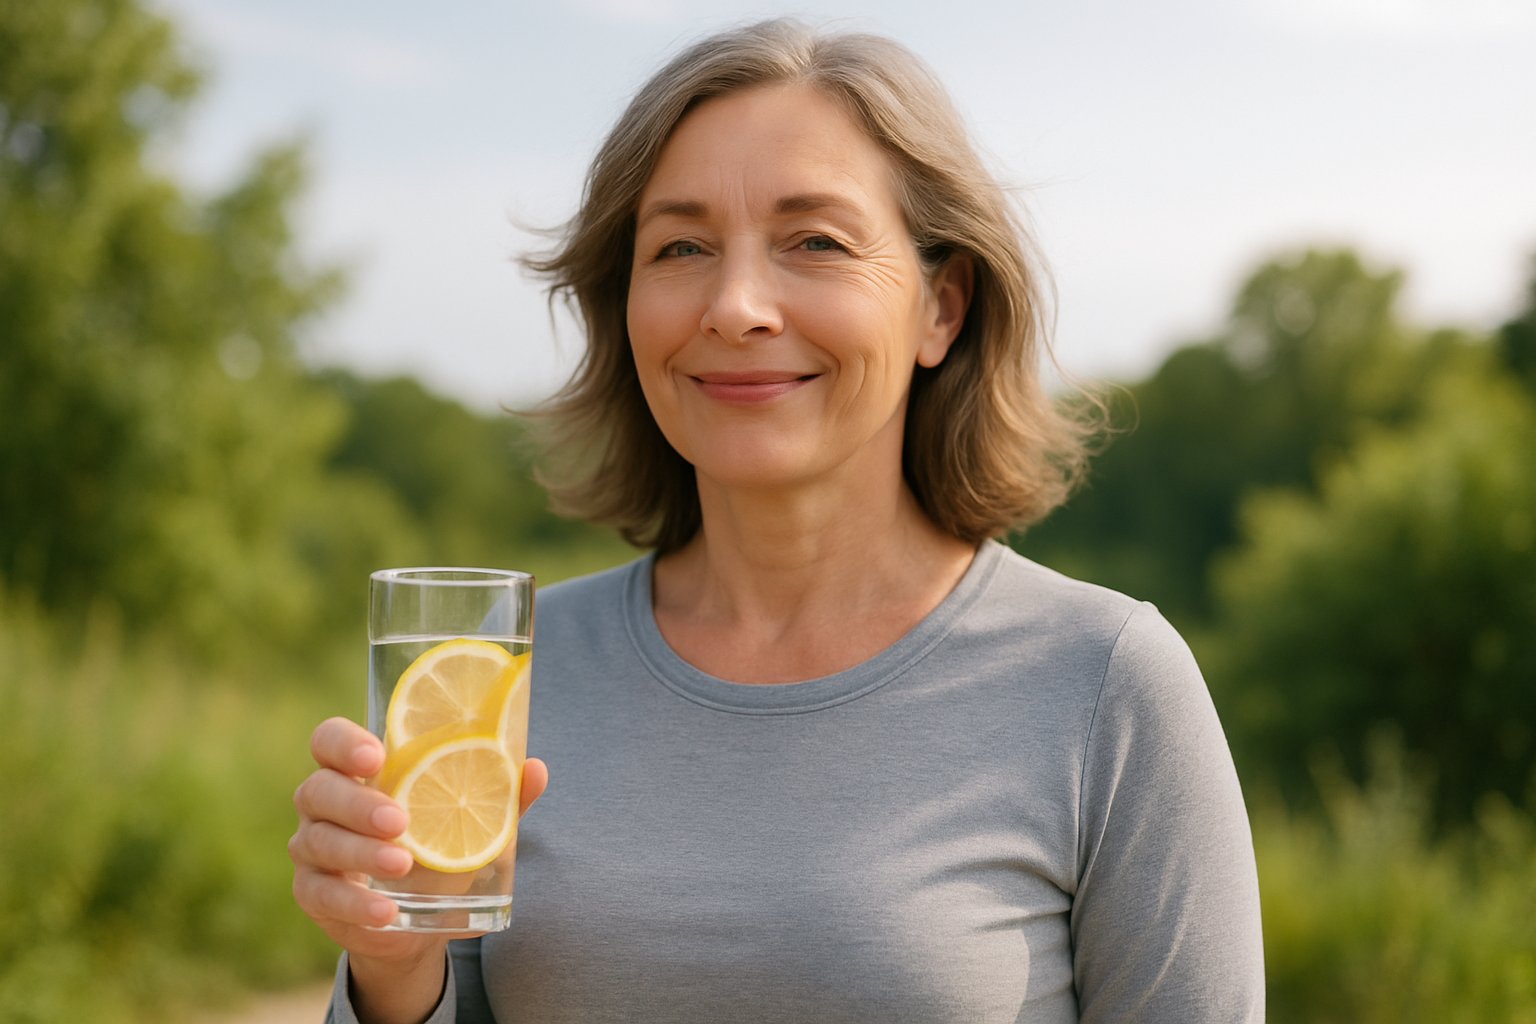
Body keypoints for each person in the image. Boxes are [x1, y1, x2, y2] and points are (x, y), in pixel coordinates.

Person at [290, 18, 1265, 1023]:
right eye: (681, 246)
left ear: (942, 306)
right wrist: (393, 974)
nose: (738, 305)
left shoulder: (1106, 683)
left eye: (815, 241)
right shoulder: (516, 673)